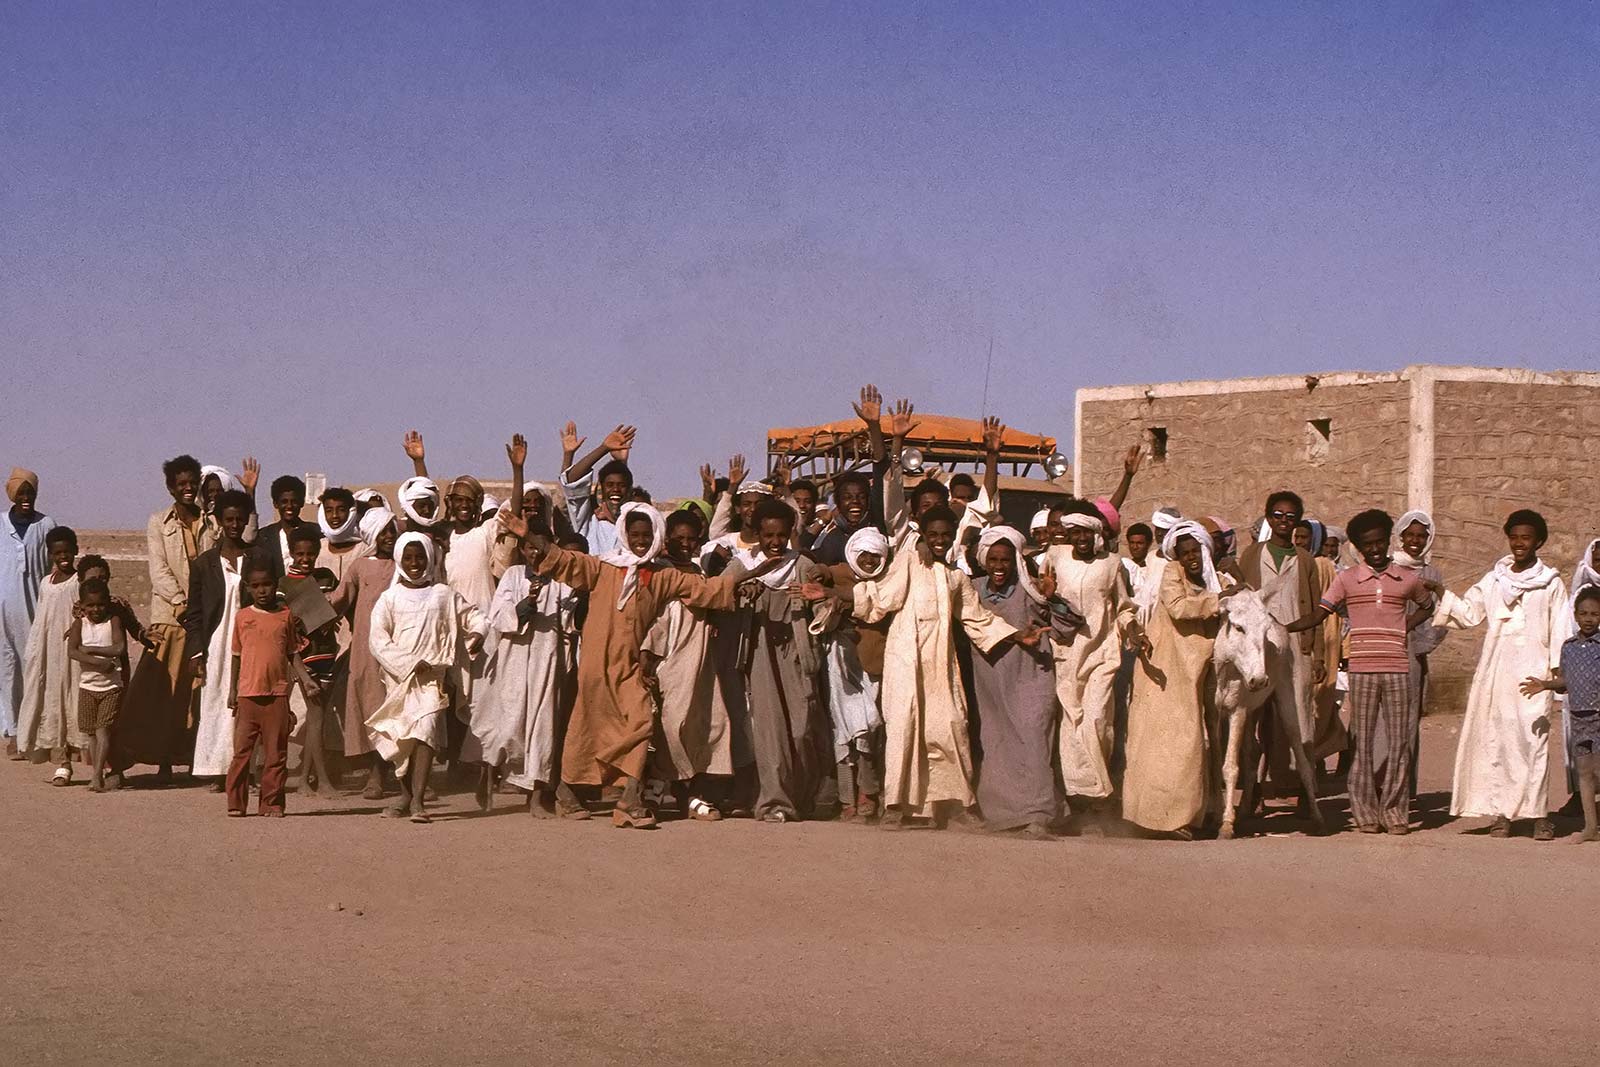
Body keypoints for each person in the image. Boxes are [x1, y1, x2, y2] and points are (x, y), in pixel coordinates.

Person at [522, 502, 751, 829]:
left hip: (629, 666)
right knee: (587, 729)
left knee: (641, 722)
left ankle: (629, 800)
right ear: (625, 535)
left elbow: (704, 590)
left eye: (646, 535)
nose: (641, 541)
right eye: (635, 535)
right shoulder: (603, 567)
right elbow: (564, 560)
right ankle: (566, 793)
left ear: (656, 535)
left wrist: (749, 571)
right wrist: (529, 534)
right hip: (596, 665)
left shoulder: (662, 576)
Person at [852, 505, 1041, 830]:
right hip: (905, 661)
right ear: (922, 535)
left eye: (945, 535)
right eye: (933, 535)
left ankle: (959, 803)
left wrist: (1015, 635)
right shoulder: (909, 562)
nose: (939, 541)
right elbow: (882, 601)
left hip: (940, 663)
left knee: (951, 725)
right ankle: (896, 805)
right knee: (904, 729)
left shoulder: (956, 576)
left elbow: (976, 617)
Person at [1287, 510, 1432, 834]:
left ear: (1388, 540)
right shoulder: (1347, 579)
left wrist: (1403, 627)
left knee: (1399, 743)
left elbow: (1427, 605)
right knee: (1362, 743)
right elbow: (1320, 613)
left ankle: (1394, 812)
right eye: (1369, 545)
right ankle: (1365, 811)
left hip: (1397, 670)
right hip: (1362, 670)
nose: (1376, 550)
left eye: (1380, 542)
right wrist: (1287, 626)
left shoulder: (1406, 578)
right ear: (1359, 547)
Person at [1431, 510, 1570, 840]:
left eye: (1527, 537)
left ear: (1539, 541)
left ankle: (1538, 815)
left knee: (1533, 742)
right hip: (1497, 672)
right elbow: (1469, 613)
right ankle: (1503, 815)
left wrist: (1556, 673)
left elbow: (1560, 628)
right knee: (1499, 743)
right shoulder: (1495, 579)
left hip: (1534, 673)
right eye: (1514, 537)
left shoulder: (1550, 583)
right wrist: (1441, 593)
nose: (1520, 543)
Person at [366, 533, 488, 823]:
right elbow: (378, 639)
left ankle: (419, 801)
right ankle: (406, 796)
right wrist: (408, 663)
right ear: (399, 559)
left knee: (427, 732)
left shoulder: (443, 594)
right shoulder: (390, 598)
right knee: (403, 740)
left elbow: (474, 616)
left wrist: (478, 634)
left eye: (420, 557)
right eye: (408, 558)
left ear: (430, 558)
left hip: (433, 680)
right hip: (401, 680)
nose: (415, 563)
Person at [1121, 521, 1229, 838]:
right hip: (1164, 666)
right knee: (1159, 743)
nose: (1192, 559)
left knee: (1194, 743)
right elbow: (1179, 608)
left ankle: (1187, 815)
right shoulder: (1172, 574)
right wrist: (1219, 601)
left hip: (1195, 670)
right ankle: (1155, 817)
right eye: (1186, 554)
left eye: (1196, 551)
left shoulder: (1219, 581)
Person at [969, 527, 1074, 838]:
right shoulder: (973, 589)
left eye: (1005, 560)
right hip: (991, 679)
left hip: (1031, 676)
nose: (999, 566)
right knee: (998, 742)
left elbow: (1066, 627)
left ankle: (1039, 814)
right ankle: (1005, 814)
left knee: (1034, 739)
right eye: (993, 560)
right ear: (984, 561)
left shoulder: (1031, 591)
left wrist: (1052, 600)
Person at [641, 509, 744, 822]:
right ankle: (657, 789)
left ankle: (692, 793)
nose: (685, 544)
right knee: (671, 725)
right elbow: (654, 620)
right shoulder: (659, 572)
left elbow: (712, 602)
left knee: (705, 725)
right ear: (667, 540)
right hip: (669, 657)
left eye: (691, 539)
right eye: (679, 539)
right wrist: (647, 658)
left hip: (700, 659)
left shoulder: (700, 573)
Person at [118, 455, 216, 780]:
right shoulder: (158, 522)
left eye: (192, 483)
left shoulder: (211, 523)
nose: (188, 489)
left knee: (196, 692)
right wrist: (181, 604)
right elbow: (159, 570)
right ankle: (159, 761)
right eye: (181, 484)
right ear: (171, 487)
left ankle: (191, 761)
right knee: (163, 693)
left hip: (205, 620)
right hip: (171, 620)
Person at [733, 497, 827, 823]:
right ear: (757, 533)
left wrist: (820, 589)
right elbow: (722, 588)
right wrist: (744, 589)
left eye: (780, 536)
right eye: (767, 536)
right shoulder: (744, 563)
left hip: (796, 653)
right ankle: (774, 803)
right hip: (760, 653)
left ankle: (801, 797)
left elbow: (822, 582)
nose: (774, 543)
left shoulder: (800, 564)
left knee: (801, 730)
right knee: (771, 732)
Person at [471, 520, 572, 815]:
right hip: (513, 660)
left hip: (546, 658)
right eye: (529, 548)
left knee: (543, 726)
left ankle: (536, 797)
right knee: (510, 723)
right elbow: (498, 615)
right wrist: (525, 606)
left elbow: (567, 620)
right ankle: (490, 769)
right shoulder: (514, 576)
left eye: (540, 548)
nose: (535, 554)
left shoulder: (561, 582)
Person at [1044, 503, 1135, 823]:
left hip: (1102, 654)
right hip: (1066, 653)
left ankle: (1101, 793)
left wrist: (1133, 628)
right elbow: (1041, 595)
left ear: (1096, 533)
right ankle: (1078, 799)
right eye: (1075, 532)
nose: (1081, 538)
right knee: (1071, 728)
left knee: (1096, 720)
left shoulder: (1112, 565)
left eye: (1086, 531)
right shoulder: (1056, 558)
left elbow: (1124, 606)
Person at [1237, 491, 1324, 808]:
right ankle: (1251, 790)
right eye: (1277, 515)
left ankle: (1307, 792)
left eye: (1290, 517)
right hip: (1259, 650)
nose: (1283, 522)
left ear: (1297, 521)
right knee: (1250, 721)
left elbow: (1316, 608)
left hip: (1295, 651)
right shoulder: (1252, 555)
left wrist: (1318, 655)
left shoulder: (1305, 561)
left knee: (1301, 722)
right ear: (1268, 517)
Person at [803, 526, 891, 822]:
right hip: (841, 663)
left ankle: (868, 792)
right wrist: (816, 574)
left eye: (874, 557)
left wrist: (838, 596)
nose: (868, 562)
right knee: (843, 729)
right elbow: (821, 570)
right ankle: (846, 798)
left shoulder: (888, 580)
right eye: (863, 556)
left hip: (875, 664)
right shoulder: (840, 571)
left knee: (868, 726)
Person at [183, 490, 257, 791]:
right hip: (216, 643)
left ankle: (246, 771)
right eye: (229, 519)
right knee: (215, 703)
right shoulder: (204, 564)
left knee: (248, 703)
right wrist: (195, 652)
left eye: (240, 519)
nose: (235, 525)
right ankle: (216, 770)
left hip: (251, 642)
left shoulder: (258, 557)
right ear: (219, 522)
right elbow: (195, 612)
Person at [226, 559, 312, 817]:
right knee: (242, 753)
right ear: (248, 588)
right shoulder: (243, 617)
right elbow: (236, 656)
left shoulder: (285, 617)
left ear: (275, 585)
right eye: (256, 586)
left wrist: (306, 679)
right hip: (248, 696)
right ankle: (236, 804)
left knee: (276, 754)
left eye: (267, 584)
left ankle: (271, 803)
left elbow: (292, 653)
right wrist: (232, 691)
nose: (262, 590)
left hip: (277, 694)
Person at [329, 507, 401, 799]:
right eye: (383, 531)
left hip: (398, 648)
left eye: (391, 530)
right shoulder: (360, 566)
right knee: (373, 708)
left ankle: (407, 776)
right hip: (367, 650)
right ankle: (376, 776)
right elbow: (339, 599)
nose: (388, 537)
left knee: (398, 709)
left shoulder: (404, 563)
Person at [1522, 588, 1600, 842]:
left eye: (1595, 614)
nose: (1589, 618)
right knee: (1585, 774)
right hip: (1578, 718)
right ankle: (1590, 828)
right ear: (1575, 616)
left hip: (1599, 717)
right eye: (1584, 613)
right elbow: (1565, 681)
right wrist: (1545, 685)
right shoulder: (1568, 647)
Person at [18, 525, 82, 782]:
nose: (63, 557)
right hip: (50, 653)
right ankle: (63, 762)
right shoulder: (46, 583)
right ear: (50, 555)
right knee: (54, 703)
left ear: (75, 551)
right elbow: (42, 619)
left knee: (78, 701)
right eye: (57, 553)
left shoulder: (80, 582)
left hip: (76, 654)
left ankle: (101, 764)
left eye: (67, 552)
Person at [3, 467, 59, 755]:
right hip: (3, 610)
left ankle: (36, 730)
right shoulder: (1, 525)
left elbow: (55, 564)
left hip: (36, 606)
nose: (27, 498)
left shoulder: (45, 525)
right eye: (21, 493)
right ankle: (12, 730)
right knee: (7, 668)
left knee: (34, 666)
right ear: (12, 494)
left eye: (31, 493)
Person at [280, 530, 340, 798]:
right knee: (316, 717)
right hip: (303, 657)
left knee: (319, 717)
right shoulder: (284, 583)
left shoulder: (326, 578)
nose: (305, 559)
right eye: (300, 554)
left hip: (327, 653)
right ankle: (322, 780)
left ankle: (307, 779)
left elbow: (337, 606)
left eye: (310, 554)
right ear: (292, 553)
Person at [1392, 511, 1448, 796]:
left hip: (1412, 655)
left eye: (1421, 536)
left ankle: (1404, 789)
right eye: (1410, 535)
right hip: (1382, 652)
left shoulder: (1432, 575)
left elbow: (1441, 615)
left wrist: (1420, 646)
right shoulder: (1388, 567)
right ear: (1400, 537)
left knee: (1408, 720)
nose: (1415, 541)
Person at [68, 578, 129, 793]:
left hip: (110, 687)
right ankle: (98, 771)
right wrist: (99, 662)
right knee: (92, 733)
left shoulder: (113, 621)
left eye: (100, 604)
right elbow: (72, 651)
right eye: (91, 605)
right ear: (82, 606)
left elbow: (119, 648)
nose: (96, 609)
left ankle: (96, 777)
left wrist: (90, 650)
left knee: (103, 731)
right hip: (87, 687)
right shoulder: (79, 624)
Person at [558, 422, 637, 555]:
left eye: (621, 486)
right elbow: (572, 481)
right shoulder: (588, 523)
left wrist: (622, 463)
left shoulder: (634, 527)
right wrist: (603, 448)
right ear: (601, 488)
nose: (616, 489)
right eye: (610, 485)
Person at [255, 474, 313, 575]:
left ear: (302, 502)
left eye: (294, 501)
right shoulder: (264, 536)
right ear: (275, 504)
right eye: (284, 502)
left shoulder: (315, 532)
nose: (289, 506)